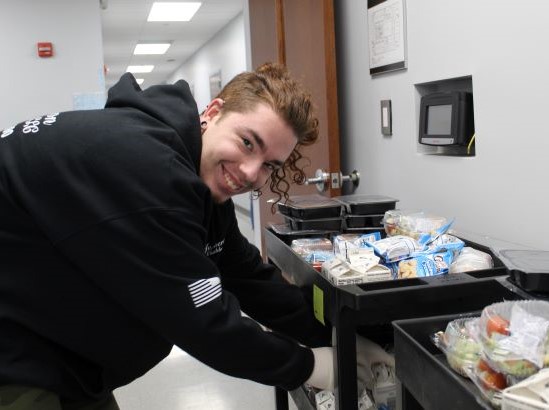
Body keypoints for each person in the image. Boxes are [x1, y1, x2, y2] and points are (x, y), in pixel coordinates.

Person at [0, 63, 393, 409]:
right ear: (213, 111)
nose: (250, 173)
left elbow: (248, 279)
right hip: (17, 349)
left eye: (269, 165)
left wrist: (343, 335)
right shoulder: (145, 167)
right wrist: (312, 365)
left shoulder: (194, 179)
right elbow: (205, 322)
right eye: (247, 142)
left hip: (61, 345)